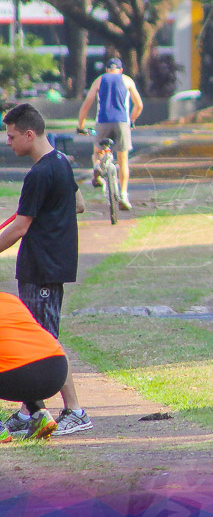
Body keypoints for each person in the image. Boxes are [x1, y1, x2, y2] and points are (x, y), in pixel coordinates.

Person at [0, 104, 91, 438]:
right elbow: (79, 204)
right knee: (37, 339)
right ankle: (30, 412)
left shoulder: (39, 174)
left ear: (29, 134)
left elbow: (20, 228)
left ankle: (76, 410)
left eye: (11, 136)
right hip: (50, 265)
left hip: (42, 268)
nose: (7, 142)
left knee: (44, 342)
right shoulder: (61, 164)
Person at [0, 293, 69, 442]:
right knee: (18, 354)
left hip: (19, 375)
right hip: (56, 369)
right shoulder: (11, 299)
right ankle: (39, 414)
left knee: (14, 360)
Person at [77, 57, 144, 210]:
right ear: (120, 70)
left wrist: (80, 126)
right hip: (122, 123)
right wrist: (131, 120)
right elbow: (139, 105)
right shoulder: (127, 80)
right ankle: (124, 194)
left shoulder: (100, 80)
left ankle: (97, 168)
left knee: (97, 151)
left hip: (103, 121)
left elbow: (87, 103)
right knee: (123, 160)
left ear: (107, 70)